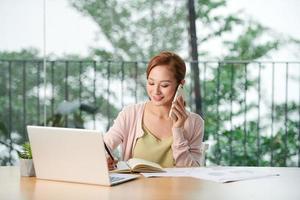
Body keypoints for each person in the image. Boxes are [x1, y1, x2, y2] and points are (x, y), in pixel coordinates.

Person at [104, 51, 204, 170]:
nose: (156, 91)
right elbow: (104, 147)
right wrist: (105, 159)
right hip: (135, 188)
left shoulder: (195, 122)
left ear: (180, 85)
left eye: (164, 85)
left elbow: (193, 172)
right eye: (151, 83)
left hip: (177, 188)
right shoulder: (130, 114)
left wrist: (178, 131)